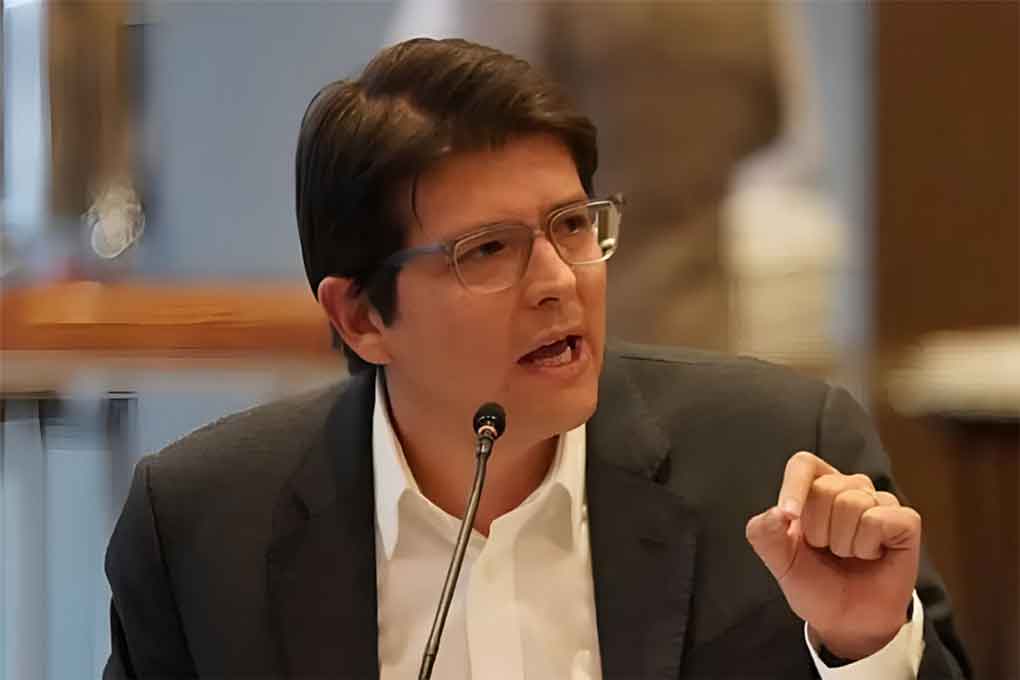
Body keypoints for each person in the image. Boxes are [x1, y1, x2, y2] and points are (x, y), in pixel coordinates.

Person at [103, 38, 970, 679]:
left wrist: (865, 647)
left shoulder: (779, 463)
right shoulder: (204, 532)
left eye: (571, 226)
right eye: (488, 251)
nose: (559, 281)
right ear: (361, 316)